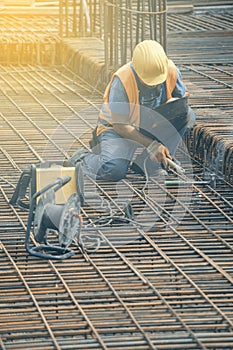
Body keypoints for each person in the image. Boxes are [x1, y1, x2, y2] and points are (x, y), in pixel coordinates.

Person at [71, 40, 196, 181]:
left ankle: (149, 164)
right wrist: (152, 145)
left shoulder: (171, 71)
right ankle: (82, 158)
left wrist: (173, 106)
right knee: (114, 170)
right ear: (136, 70)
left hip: (150, 124)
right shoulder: (123, 80)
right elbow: (120, 126)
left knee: (188, 115)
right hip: (118, 130)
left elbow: (182, 104)